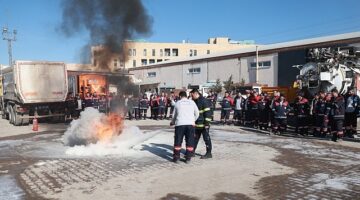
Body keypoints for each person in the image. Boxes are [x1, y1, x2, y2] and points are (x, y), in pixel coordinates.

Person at [170, 91, 199, 163]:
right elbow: (197, 113)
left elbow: (174, 115)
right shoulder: (192, 102)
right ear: (186, 96)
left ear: (180, 96)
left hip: (180, 124)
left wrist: (172, 122)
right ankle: (188, 158)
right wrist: (193, 120)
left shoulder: (178, 103)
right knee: (190, 141)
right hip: (190, 125)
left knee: (178, 141)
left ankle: (176, 157)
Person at [191, 89, 213, 159]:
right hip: (197, 124)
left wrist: (207, 123)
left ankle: (209, 153)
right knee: (194, 139)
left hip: (204, 124)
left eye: (192, 95)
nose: (191, 96)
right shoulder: (194, 101)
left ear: (196, 93)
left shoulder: (203, 101)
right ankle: (192, 152)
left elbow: (208, 112)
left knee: (206, 139)